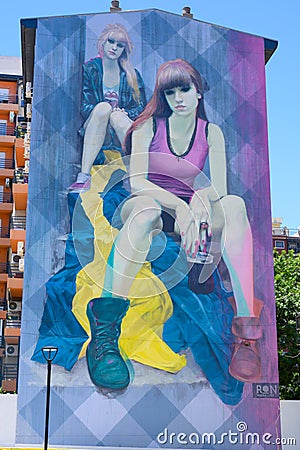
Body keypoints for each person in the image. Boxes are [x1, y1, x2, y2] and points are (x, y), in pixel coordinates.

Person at [84, 58, 263, 392]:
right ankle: (105, 334)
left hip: (188, 209)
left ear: (198, 91)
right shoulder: (148, 128)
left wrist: (197, 200)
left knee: (234, 206)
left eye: (185, 89)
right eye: (170, 92)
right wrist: (181, 206)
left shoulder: (212, 133)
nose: (178, 97)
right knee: (147, 212)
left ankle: (247, 335)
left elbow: (219, 191)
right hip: (146, 200)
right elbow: (138, 183)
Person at [69, 23, 147, 191]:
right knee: (104, 109)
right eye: (111, 42)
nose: (114, 47)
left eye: (120, 45)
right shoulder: (90, 69)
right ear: (102, 43)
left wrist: (124, 113)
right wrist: (110, 110)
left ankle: (138, 177)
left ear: (124, 50)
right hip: (97, 128)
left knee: (117, 117)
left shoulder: (132, 75)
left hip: (120, 131)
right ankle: (83, 177)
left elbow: (142, 108)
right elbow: (85, 105)